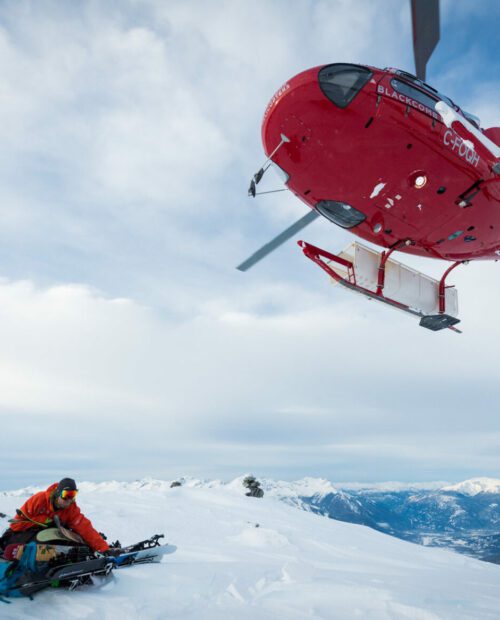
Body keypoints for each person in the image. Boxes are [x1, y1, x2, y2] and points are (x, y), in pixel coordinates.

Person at [0, 477, 110, 553]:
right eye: (66, 495)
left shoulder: (71, 508)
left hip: (49, 537)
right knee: (43, 538)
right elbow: (16, 525)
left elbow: (85, 528)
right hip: (20, 534)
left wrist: (103, 549)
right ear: (58, 493)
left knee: (74, 540)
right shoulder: (39, 500)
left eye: (73, 495)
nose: (69, 500)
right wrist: (44, 521)